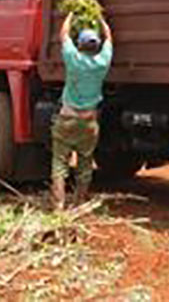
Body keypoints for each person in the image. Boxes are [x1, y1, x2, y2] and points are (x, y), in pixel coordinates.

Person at [50, 13, 114, 210]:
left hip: (67, 118)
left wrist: (71, 15)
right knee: (85, 164)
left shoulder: (73, 59)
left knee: (59, 164)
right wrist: (102, 20)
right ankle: (79, 202)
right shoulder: (102, 63)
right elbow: (110, 38)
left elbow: (63, 34)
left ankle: (58, 206)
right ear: (96, 46)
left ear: (80, 45)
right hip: (88, 122)